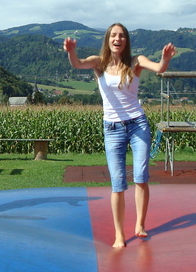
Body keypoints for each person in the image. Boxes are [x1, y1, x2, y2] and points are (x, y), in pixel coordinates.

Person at [64, 24, 175, 248]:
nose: (118, 39)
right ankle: (119, 235)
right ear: (108, 39)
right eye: (114, 35)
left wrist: (165, 59)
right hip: (112, 128)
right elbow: (77, 64)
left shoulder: (135, 62)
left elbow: (159, 68)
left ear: (126, 41)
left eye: (122, 36)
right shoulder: (99, 63)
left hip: (137, 125)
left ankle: (140, 224)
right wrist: (71, 51)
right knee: (117, 183)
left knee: (141, 176)